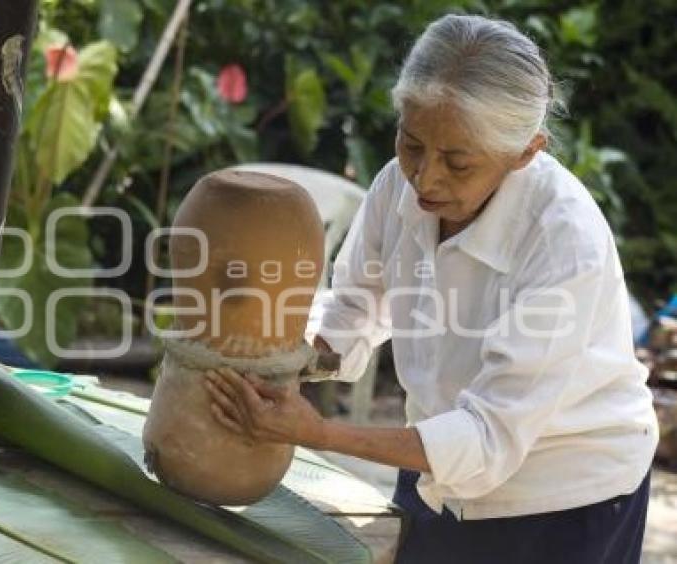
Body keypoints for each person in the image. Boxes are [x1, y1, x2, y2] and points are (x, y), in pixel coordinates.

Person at [203, 13, 658, 564]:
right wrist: (290, 359)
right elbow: (356, 306)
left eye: (458, 163)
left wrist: (318, 431)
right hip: (434, 464)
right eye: (411, 143)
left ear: (525, 152)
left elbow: (489, 436)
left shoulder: (564, 240)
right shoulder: (397, 186)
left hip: (564, 495)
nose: (425, 178)